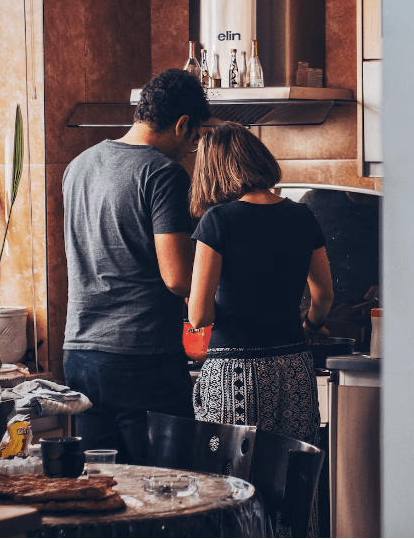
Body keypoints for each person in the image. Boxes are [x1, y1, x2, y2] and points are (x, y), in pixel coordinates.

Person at [62, 69, 210, 463]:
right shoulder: (163, 173)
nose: (189, 150)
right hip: (140, 358)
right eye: (194, 140)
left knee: (105, 490)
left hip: (79, 354)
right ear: (182, 125)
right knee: (168, 493)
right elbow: (178, 278)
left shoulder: (78, 166)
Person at [187, 122, 333, 446]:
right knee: (293, 477)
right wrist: (310, 326)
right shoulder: (302, 215)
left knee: (234, 483)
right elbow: (323, 295)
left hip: (236, 372)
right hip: (295, 366)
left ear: (213, 170)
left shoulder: (218, 220)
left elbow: (199, 317)